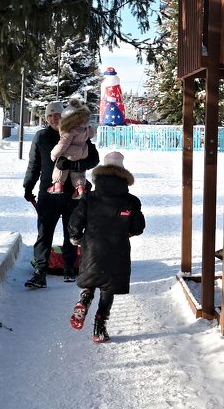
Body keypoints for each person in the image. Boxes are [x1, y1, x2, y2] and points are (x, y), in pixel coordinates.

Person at [68, 151, 146, 343]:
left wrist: (75, 237)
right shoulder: (131, 201)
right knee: (108, 287)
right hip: (117, 248)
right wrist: (127, 231)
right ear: (123, 171)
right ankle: (99, 328)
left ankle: (84, 299)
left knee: (91, 277)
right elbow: (138, 226)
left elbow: (76, 220)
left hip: (92, 245)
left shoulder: (89, 197)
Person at [23, 100, 100, 288]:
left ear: (64, 116)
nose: (53, 118)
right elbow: (34, 165)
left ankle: (68, 268)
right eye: (49, 115)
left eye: (57, 115)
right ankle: (40, 271)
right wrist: (28, 186)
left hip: (72, 194)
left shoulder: (77, 133)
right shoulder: (42, 137)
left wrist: (75, 166)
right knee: (44, 233)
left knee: (71, 232)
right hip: (48, 194)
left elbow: (93, 159)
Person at [48, 98, 94, 199]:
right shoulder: (84, 127)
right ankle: (80, 188)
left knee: (60, 166)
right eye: (50, 116)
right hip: (82, 152)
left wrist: (54, 154)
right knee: (78, 172)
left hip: (70, 153)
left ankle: (58, 185)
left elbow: (62, 144)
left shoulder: (69, 130)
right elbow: (91, 134)